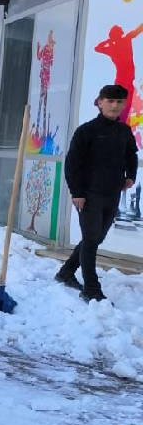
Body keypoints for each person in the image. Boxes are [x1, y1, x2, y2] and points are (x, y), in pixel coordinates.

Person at [56, 84, 139, 302]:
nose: (115, 105)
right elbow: (72, 164)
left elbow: (131, 154)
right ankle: (91, 289)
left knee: (95, 238)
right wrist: (77, 192)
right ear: (100, 102)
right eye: (110, 101)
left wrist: (131, 176)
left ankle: (65, 273)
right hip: (89, 194)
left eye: (119, 102)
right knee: (91, 240)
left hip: (112, 194)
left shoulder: (124, 131)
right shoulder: (86, 131)